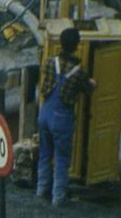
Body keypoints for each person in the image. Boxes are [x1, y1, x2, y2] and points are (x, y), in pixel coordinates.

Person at [36, 28, 96, 206]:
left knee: (45, 154)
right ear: (76, 46)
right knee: (62, 159)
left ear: (60, 43)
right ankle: (58, 198)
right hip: (62, 118)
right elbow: (88, 89)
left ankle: (41, 191)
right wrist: (93, 83)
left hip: (44, 114)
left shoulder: (48, 62)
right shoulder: (79, 72)